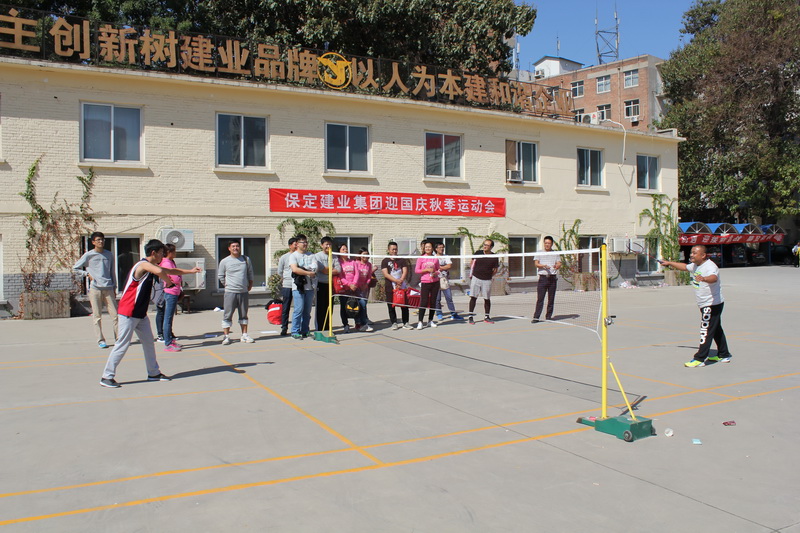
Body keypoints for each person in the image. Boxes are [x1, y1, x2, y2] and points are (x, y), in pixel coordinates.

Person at [100, 239, 201, 388]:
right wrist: (169, 283)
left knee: (148, 343)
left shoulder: (153, 266)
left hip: (140, 314)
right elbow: (161, 272)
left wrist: (190, 271)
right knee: (122, 344)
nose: (163, 256)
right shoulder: (142, 265)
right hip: (128, 312)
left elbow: (171, 271)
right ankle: (106, 377)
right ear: (153, 253)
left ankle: (153, 373)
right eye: (161, 253)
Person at [660, 245, 733, 368]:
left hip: (711, 304)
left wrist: (704, 278)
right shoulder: (695, 265)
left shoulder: (710, 267)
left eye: (694, 253)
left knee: (706, 330)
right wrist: (669, 263)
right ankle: (723, 354)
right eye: (691, 253)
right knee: (716, 329)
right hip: (705, 303)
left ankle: (700, 358)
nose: (691, 255)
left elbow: (714, 278)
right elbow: (685, 267)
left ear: (703, 255)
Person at [73, 231, 118, 349]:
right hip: (95, 289)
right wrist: (87, 274)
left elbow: (112, 271)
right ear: (93, 242)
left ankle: (118, 339)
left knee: (115, 316)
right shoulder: (89, 255)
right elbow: (75, 268)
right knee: (97, 316)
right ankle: (100, 340)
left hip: (108, 288)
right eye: (98, 240)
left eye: (102, 239)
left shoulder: (109, 254)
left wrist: (114, 286)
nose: (101, 242)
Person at [218, 240, 255, 345]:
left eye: (237, 246)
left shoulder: (246, 259)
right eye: (233, 246)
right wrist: (227, 285)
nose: (235, 248)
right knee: (227, 315)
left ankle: (244, 335)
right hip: (230, 292)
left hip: (243, 292)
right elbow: (221, 276)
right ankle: (226, 336)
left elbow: (250, 273)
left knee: (243, 314)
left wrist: (249, 285)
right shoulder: (224, 261)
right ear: (229, 248)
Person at [289, 234, 318, 339]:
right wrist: (308, 272)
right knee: (298, 310)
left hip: (310, 287)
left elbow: (315, 268)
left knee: (307, 311)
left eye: (306, 242)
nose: (305, 244)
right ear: (297, 244)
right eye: (303, 242)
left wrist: (305, 270)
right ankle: (295, 331)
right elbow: (295, 269)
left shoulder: (311, 255)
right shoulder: (293, 256)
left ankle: (305, 330)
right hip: (298, 287)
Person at [157, 243, 184, 352]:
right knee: (167, 318)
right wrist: (179, 278)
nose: (175, 253)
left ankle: (170, 340)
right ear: (169, 252)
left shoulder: (171, 262)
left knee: (169, 318)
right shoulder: (166, 263)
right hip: (170, 292)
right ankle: (168, 343)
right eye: (174, 251)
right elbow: (175, 278)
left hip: (174, 291)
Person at [381, 241, 413, 330]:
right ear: (388, 250)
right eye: (392, 249)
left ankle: (405, 322)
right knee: (391, 305)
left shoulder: (401, 260)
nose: (394, 251)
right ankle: (394, 322)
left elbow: (405, 270)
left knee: (404, 305)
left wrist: (401, 280)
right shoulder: (385, 261)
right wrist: (395, 281)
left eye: (396, 249)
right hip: (390, 286)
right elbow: (386, 274)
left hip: (402, 286)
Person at [467, 239, 499, 324]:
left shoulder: (494, 257)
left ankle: (487, 317)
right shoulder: (478, 253)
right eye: (484, 244)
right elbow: (472, 263)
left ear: (491, 247)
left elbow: (495, 270)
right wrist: (473, 273)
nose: (484, 246)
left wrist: (488, 275)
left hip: (487, 280)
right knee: (473, 297)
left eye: (487, 245)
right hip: (476, 278)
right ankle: (470, 316)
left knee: (487, 298)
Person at [532, 236, 562, 323]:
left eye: (549, 243)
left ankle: (548, 316)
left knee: (551, 299)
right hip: (543, 278)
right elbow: (536, 264)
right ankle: (536, 317)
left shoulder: (555, 253)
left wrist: (557, 266)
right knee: (540, 299)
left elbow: (559, 263)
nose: (547, 245)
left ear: (552, 244)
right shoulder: (539, 252)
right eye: (545, 243)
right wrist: (543, 266)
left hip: (552, 278)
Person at [315, 236, 341, 332]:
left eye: (330, 244)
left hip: (331, 285)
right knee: (320, 307)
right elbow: (322, 270)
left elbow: (338, 270)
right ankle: (320, 329)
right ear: (322, 245)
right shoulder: (317, 256)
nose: (328, 246)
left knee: (329, 306)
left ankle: (328, 328)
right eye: (326, 244)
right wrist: (330, 270)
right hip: (320, 284)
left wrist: (327, 270)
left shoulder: (334, 256)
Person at [434, 242, 464, 321]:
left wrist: (439, 267)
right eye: (440, 247)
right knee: (437, 299)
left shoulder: (446, 256)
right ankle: (439, 313)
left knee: (449, 298)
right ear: (436, 249)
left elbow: (449, 265)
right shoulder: (433, 257)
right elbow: (433, 267)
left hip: (445, 280)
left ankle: (453, 314)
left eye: (442, 247)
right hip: (436, 280)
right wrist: (443, 267)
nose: (441, 249)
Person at [415, 241, 441, 329]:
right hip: (425, 282)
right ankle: (420, 321)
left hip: (435, 282)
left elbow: (438, 270)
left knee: (433, 302)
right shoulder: (421, 258)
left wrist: (435, 273)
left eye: (429, 247)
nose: (428, 248)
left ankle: (430, 320)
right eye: (426, 247)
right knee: (424, 302)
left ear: (432, 248)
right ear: (424, 248)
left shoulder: (435, 258)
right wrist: (426, 270)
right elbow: (417, 270)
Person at [276, 237, 298, 336]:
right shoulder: (284, 257)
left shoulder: (300, 256)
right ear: (290, 246)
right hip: (287, 285)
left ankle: (298, 327)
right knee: (286, 307)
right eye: (295, 244)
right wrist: (285, 279)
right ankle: (284, 327)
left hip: (298, 285)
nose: (296, 246)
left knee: (298, 308)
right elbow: (280, 271)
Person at [337, 243, 355, 333]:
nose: (345, 251)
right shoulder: (338, 262)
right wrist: (348, 284)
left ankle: (358, 323)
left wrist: (354, 284)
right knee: (344, 307)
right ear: (339, 251)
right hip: (343, 288)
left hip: (353, 288)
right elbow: (340, 276)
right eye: (343, 249)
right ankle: (345, 325)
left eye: (346, 249)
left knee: (355, 305)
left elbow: (356, 274)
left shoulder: (352, 262)